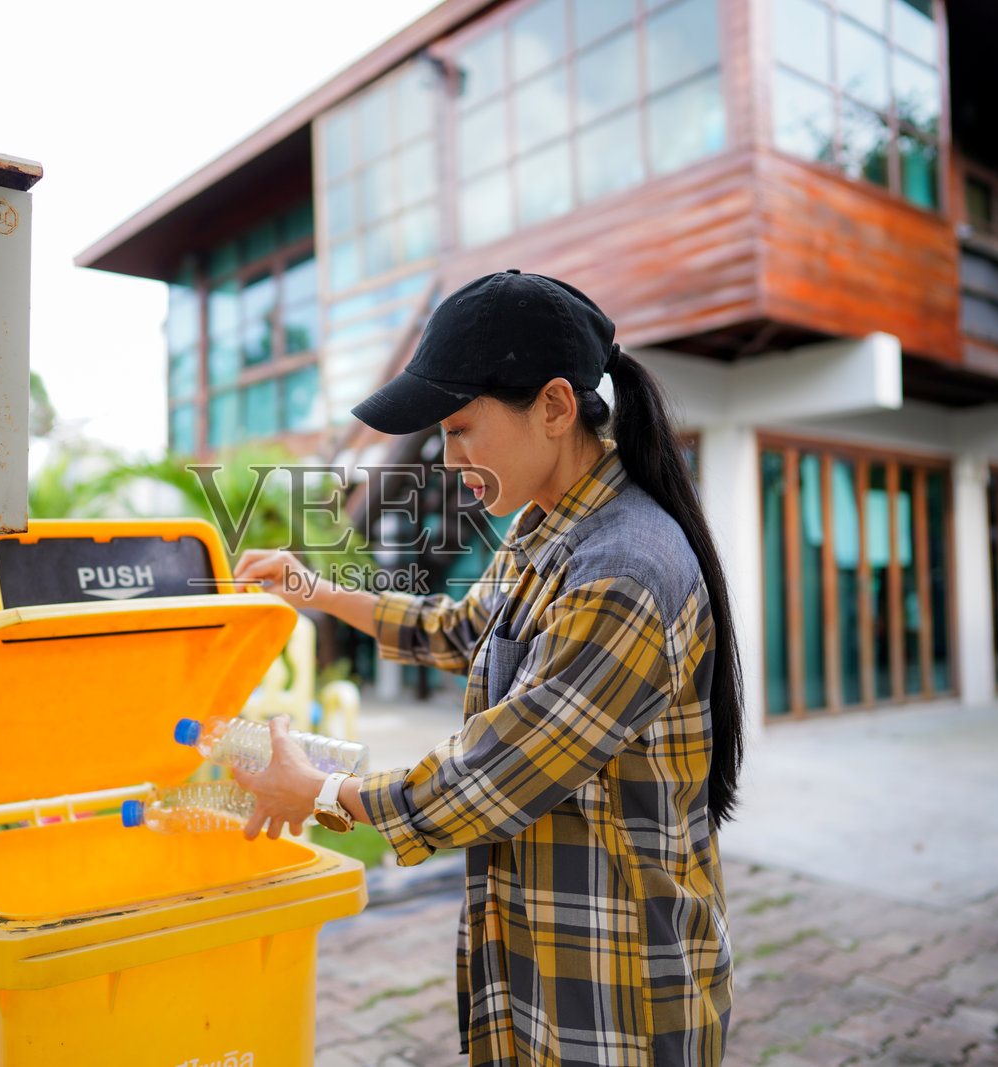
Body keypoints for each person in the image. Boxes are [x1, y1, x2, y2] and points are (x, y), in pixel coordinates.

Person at [232, 269, 743, 1067]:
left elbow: (493, 775)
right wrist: (317, 591)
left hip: (617, 995)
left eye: (462, 427)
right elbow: (464, 629)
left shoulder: (624, 571)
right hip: (540, 962)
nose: (446, 456)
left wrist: (320, 792)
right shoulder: (541, 528)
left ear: (554, 407)